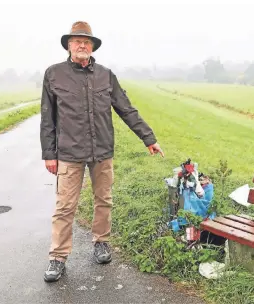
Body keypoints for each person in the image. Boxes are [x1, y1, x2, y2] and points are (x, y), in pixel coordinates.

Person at [40, 21, 164, 282]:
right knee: (65, 206)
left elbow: (126, 108)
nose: (82, 44)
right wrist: (49, 154)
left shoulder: (106, 75)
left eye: (87, 41)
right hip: (69, 154)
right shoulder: (54, 74)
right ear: (68, 45)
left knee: (104, 200)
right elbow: (47, 118)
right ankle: (57, 257)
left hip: (102, 151)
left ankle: (101, 242)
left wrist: (148, 138)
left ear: (93, 46)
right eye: (77, 41)